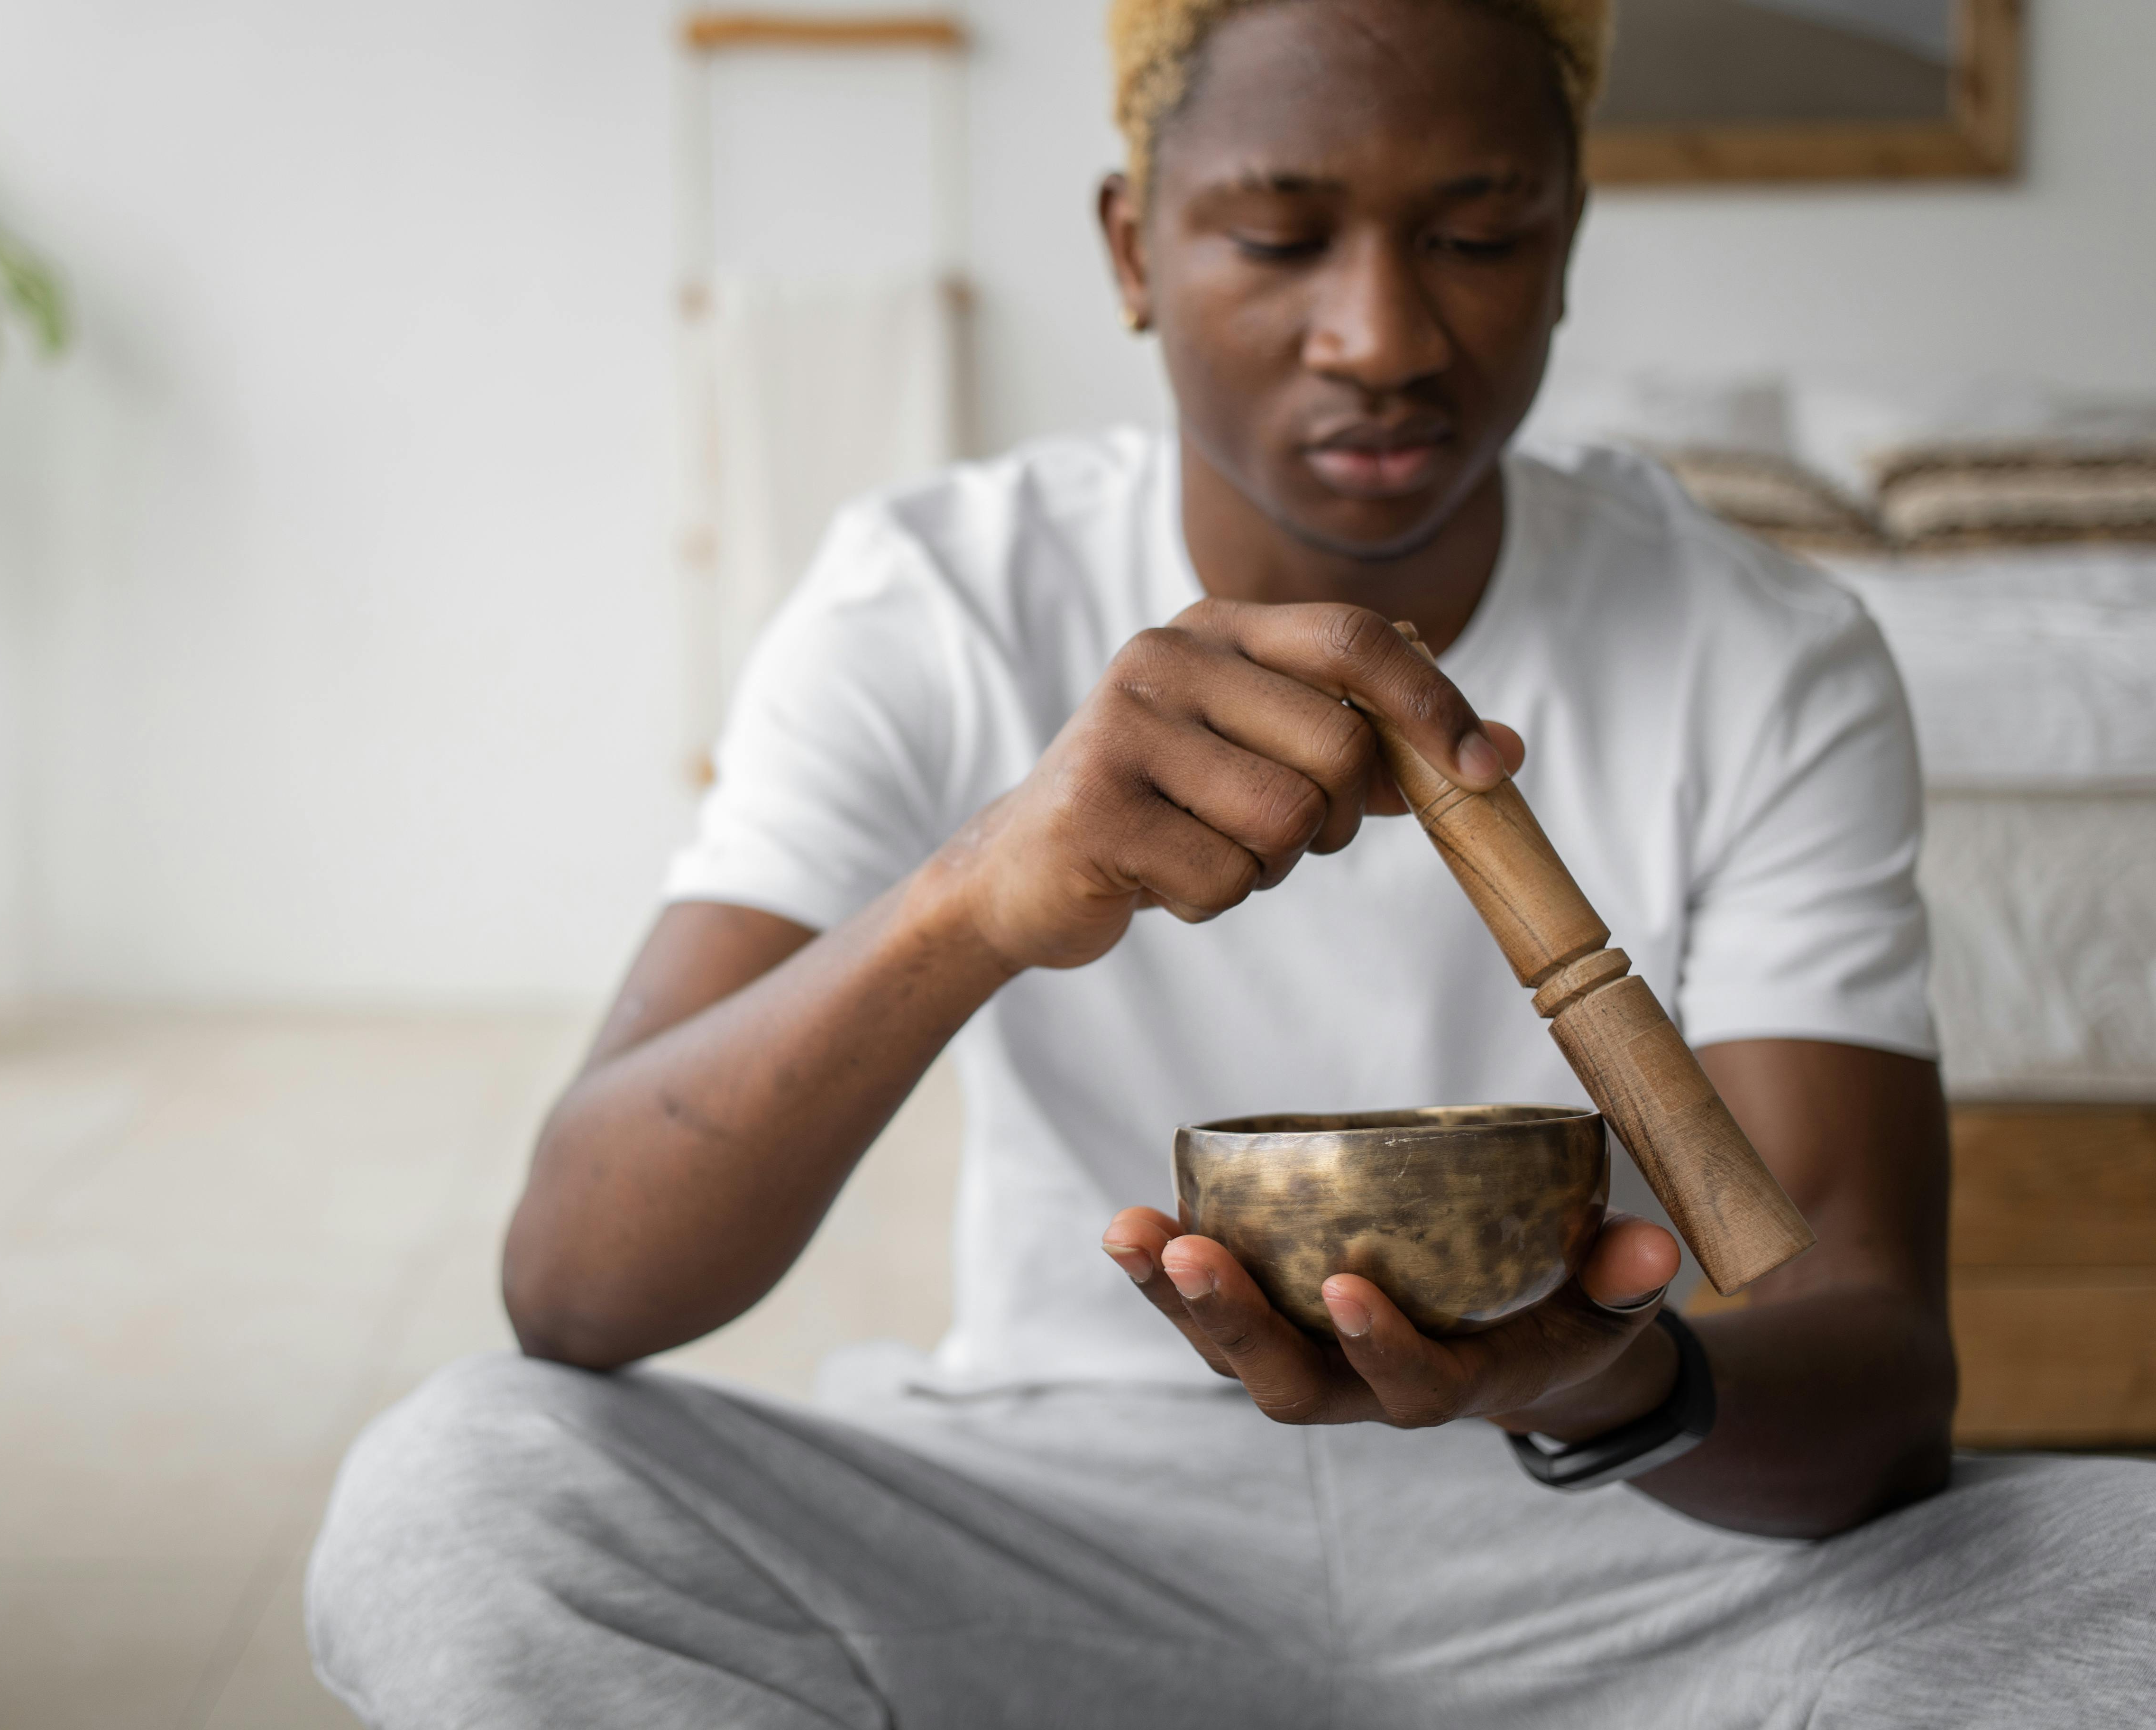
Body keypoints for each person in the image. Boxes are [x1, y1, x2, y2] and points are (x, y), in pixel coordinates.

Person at [307, 1, 2156, 1723]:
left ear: (1572, 239)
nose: (1384, 337)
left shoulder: (1764, 646)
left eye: (1482, 233)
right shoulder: (937, 594)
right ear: (1131, 249)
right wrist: (974, 897)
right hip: (1058, 1515)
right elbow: (577, 1289)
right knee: (466, 1491)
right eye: (1279, 241)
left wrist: (1616, 1381)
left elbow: (1877, 1378)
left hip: (1618, 1548)